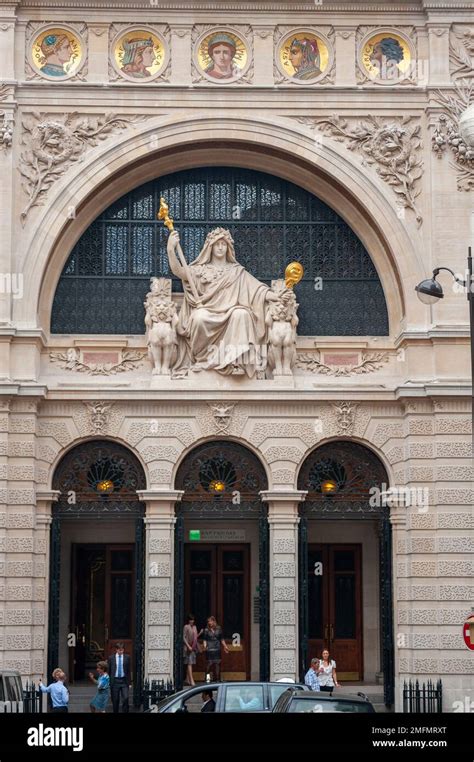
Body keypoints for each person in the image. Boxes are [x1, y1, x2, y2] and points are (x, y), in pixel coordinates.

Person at [167, 227, 292, 377]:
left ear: (228, 248)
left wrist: (276, 297)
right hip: (207, 311)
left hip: (232, 311)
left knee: (242, 314)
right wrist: (170, 249)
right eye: (217, 244)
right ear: (210, 247)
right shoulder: (199, 270)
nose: (220, 247)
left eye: (223, 244)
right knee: (199, 317)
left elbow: (257, 290)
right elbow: (179, 271)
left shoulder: (236, 271)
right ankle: (203, 359)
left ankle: (236, 361)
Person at [201, 615, 229, 682]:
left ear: (213, 621)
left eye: (210, 621)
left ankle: (217, 679)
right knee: (209, 665)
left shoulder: (219, 629)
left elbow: (222, 639)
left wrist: (225, 646)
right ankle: (207, 679)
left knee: (217, 664)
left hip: (217, 648)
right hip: (209, 649)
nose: (209, 623)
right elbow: (205, 639)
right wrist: (205, 646)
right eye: (208, 621)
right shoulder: (206, 630)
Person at [107, 642, 131, 713]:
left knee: (126, 698)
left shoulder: (127, 657)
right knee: (115, 700)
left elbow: (128, 671)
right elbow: (109, 670)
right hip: (114, 681)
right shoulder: (111, 658)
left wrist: (129, 683)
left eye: (122, 650)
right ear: (116, 650)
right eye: (119, 650)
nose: (121, 651)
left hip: (124, 681)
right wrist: (108, 682)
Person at [183, 612, 202, 686]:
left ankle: (187, 679)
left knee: (190, 663)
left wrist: (200, 633)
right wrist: (188, 646)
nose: (192, 621)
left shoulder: (194, 627)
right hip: (188, 648)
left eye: (193, 620)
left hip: (193, 647)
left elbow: (195, 637)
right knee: (189, 663)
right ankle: (192, 681)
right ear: (188, 620)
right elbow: (183, 637)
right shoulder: (186, 627)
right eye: (190, 620)